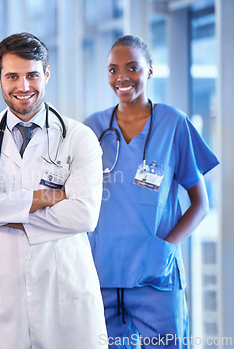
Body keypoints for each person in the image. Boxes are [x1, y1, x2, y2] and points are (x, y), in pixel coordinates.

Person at [0, 32, 107, 349]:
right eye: (12, 76)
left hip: (63, 296)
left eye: (32, 75)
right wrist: (46, 197)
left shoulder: (79, 138)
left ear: (46, 74)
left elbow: (85, 215)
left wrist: (0, 213)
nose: (23, 87)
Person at [84, 35, 219, 348]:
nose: (122, 78)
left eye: (132, 67)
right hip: (102, 274)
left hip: (155, 276)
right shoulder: (93, 128)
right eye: (113, 70)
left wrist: (166, 249)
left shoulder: (173, 123)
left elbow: (200, 204)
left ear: (149, 70)